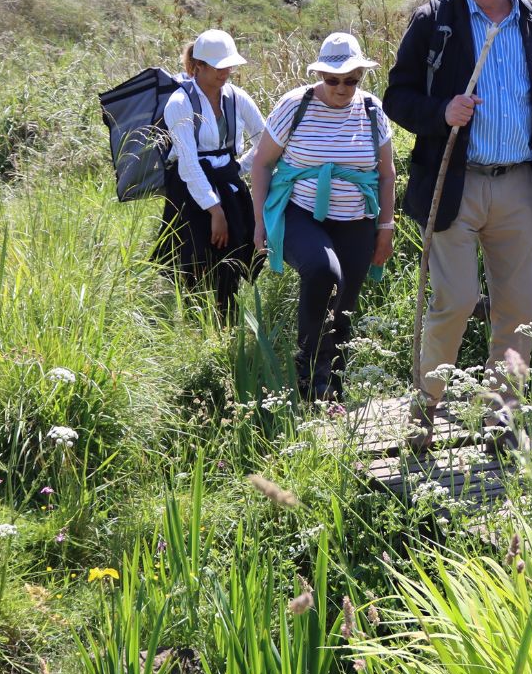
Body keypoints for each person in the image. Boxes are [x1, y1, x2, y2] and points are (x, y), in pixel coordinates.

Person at [385, 0, 532, 446]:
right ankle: (425, 408)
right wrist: (442, 111)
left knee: (519, 308)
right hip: (454, 181)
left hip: (518, 181)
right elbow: (395, 97)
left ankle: (503, 418)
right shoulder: (435, 21)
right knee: (456, 299)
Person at [250, 32, 396, 406]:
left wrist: (385, 228)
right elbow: (263, 164)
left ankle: (333, 391)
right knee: (323, 271)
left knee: (344, 304)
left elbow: (387, 173)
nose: (342, 87)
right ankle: (309, 377)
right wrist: (260, 222)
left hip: (357, 219)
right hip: (301, 214)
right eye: (333, 79)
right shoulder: (294, 105)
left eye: (351, 80)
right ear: (320, 75)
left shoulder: (371, 110)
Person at [161, 28, 266, 317]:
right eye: (219, 66)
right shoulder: (180, 103)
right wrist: (214, 211)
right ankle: (197, 320)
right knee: (196, 257)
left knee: (234, 252)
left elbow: (265, 140)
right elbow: (189, 164)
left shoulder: (237, 97)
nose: (227, 71)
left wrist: (239, 168)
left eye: (229, 65)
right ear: (198, 67)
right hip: (189, 188)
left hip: (227, 184)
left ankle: (226, 317)